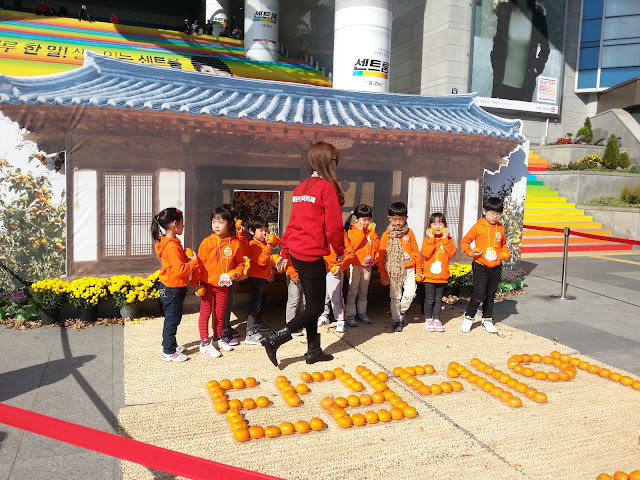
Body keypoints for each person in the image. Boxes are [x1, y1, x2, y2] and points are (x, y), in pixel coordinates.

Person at [262, 141, 345, 367]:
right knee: (316, 307)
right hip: (311, 254)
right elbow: (335, 227)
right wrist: (339, 251)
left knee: (311, 304)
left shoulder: (301, 189)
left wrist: (285, 252)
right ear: (328, 162)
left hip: (298, 252)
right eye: (335, 161)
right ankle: (276, 339)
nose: (337, 165)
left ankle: (313, 350)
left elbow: (292, 224)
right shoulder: (326, 189)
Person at [192, 205, 245, 357]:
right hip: (206, 285)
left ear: (229, 224)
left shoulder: (235, 243)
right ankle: (204, 343)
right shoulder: (207, 242)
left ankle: (217, 338)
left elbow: (240, 263)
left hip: (223, 285)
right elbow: (198, 265)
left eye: (220, 222)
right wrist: (196, 284)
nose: (216, 225)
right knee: (205, 313)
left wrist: (236, 273)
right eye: (214, 221)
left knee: (220, 314)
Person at [151, 208, 198, 362]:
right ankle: (168, 351)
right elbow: (181, 270)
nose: (183, 226)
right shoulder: (172, 246)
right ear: (174, 224)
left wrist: (184, 255)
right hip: (173, 287)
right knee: (172, 319)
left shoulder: (167, 242)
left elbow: (174, 263)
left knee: (171, 318)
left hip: (169, 285)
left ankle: (168, 344)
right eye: (182, 223)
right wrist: (194, 262)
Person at [460, 197, 511, 334]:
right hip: (480, 265)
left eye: (498, 214)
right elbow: (465, 241)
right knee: (479, 294)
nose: (495, 217)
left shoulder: (500, 227)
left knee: (490, 295)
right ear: (484, 211)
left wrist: (504, 254)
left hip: (496, 266)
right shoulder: (478, 226)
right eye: (492, 213)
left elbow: (503, 244)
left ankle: (487, 320)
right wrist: (470, 253)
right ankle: (469, 318)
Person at [490, 0, 550, 102]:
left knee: (521, 117)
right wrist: (496, 64)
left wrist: (537, 68)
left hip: (525, 86)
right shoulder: (505, 13)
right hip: (502, 82)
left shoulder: (538, 18)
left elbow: (545, 49)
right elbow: (497, 43)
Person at [378, 202, 423, 333]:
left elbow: (416, 252)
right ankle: (396, 319)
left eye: (401, 219)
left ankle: (401, 311)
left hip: (409, 269)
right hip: (393, 271)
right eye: (395, 219)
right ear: (389, 218)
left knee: (410, 293)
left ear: (406, 218)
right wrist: (383, 274)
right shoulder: (386, 235)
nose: (398, 223)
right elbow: (381, 256)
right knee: (395, 296)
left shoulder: (409, 233)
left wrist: (419, 270)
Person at [344, 204, 379, 327]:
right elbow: (354, 245)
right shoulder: (351, 232)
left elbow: (376, 247)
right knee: (352, 291)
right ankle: (350, 315)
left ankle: (362, 312)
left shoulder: (370, 233)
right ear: (356, 219)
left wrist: (373, 233)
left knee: (364, 291)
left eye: (369, 219)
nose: (366, 222)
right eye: (364, 219)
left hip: (367, 266)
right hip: (354, 265)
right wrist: (360, 231)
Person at [421, 213, 456, 332]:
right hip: (430, 277)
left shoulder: (449, 240)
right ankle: (428, 319)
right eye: (434, 224)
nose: (437, 227)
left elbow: (451, 253)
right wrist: (431, 238)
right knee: (430, 298)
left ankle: (436, 319)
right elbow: (426, 253)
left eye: (440, 224)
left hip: (442, 276)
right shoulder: (427, 240)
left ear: (445, 226)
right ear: (429, 226)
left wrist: (445, 238)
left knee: (438, 299)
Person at [244, 215, 276, 345]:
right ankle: (250, 332)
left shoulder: (262, 243)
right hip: (255, 278)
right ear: (252, 231)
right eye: (261, 230)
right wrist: (269, 246)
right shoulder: (253, 244)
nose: (264, 233)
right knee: (254, 304)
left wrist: (271, 239)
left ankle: (257, 323)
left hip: (262, 277)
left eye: (266, 230)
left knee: (262, 300)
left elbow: (277, 241)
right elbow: (261, 261)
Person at [221, 204, 247, 346]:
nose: (237, 220)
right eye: (234, 217)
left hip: (234, 274)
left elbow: (241, 251)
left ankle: (226, 326)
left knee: (229, 300)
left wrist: (240, 234)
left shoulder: (235, 236)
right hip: (222, 275)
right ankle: (222, 330)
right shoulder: (220, 237)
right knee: (222, 302)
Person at [317, 233, 353, 333]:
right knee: (322, 294)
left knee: (336, 295)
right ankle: (324, 315)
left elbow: (350, 253)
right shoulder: (317, 231)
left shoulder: (340, 234)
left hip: (334, 269)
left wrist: (341, 267)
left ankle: (340, 319)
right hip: (319, 267)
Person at [285, 263, 305, 335]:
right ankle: (291, 326)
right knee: (294, 300)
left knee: (304, 300)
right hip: (294, 272)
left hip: (305, 272)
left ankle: (301, 322)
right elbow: (287, 257)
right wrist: (292, 273)